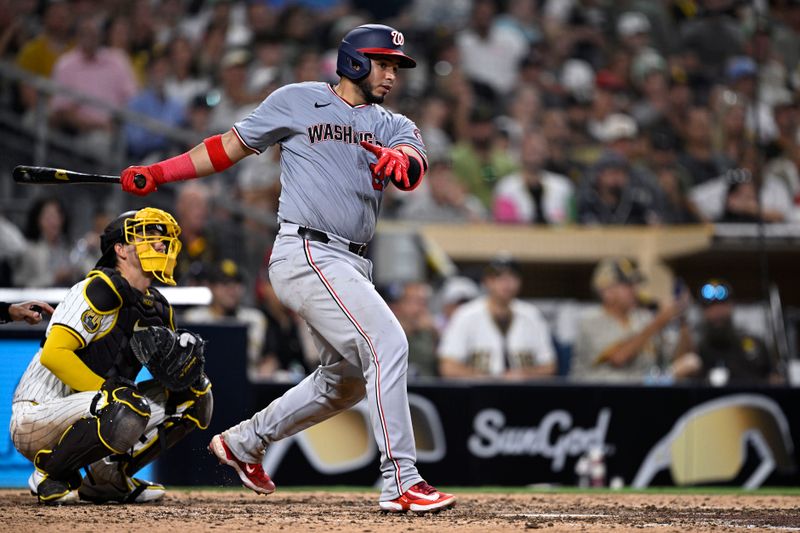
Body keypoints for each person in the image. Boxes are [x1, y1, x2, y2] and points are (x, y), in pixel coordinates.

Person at [118, 24, 455, 513]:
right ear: (355, 62)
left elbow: (413, 163)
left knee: (345, 381)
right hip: (306, 251)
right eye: (383, 63)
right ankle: (401, 479)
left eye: (395, 66)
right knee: (389, 342)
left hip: (353, 263)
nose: (391, 74)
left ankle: (244, 442)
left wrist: (400, 163)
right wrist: (161, 172)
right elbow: (225, 148)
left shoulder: (394, 123)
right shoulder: (297, 99)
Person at [10, 208, 213, 505]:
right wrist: (108, 392)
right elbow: (53, 355)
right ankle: (50, 472)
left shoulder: (158, 308)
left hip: (97, 408)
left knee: (195, 394)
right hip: (38, 414)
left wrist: (180, 368)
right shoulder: (97, 288)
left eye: (162, 237)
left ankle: (107, 480)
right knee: (123, 403)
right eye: (147, 236)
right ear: (120, 249)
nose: (160, 243)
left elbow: (167, 380)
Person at [571, 258, 699, 383]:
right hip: (600, 396)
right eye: (628, 285)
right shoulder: (590, 321)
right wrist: (659, 321)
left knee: (691, 362)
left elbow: (676, 358)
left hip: (644, 394)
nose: (635, 290)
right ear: (607, 291)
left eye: (635, 284)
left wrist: (682, 320)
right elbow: (619, 358)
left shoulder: (643, 318)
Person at [438, 255, 556, 380]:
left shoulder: (532, 315)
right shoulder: (466, 314)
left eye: (512, 277)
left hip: (523, 392)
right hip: (478, 393)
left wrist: (524, 375)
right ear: (487, 281)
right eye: (499, 277)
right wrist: (489, 380)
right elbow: (448, 366)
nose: (506, 283)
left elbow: (549, 366)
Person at [183, 259, 267, 382]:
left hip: (242, 384)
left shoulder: (254, 319)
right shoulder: (193, 319)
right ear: (211, 287)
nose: (231, 289)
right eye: (224, 283)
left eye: (236, 283)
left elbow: (252, 356)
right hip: (204, 383)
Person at [693, 279, 777, 386]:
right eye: (710, 306)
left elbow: (774, 379)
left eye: (722, 304)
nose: (717, 311)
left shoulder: (755, 345)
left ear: (731, 305)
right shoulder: (697, 351)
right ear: (702, 311)